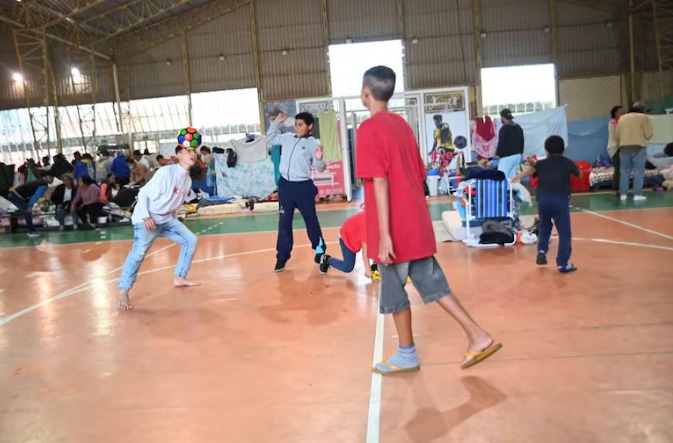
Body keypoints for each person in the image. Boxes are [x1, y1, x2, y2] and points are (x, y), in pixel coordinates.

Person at [356, 65, 501, 375]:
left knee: (395, 292)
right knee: (434, 284)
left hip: (394, 226)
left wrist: (384, 235)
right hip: (416, 221)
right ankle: (478, 335)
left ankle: (407, 353)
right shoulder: (402, 125)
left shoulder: (368, 129)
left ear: (365, 93)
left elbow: (379, 182)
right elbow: (419, 174)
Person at [117, 145, 200, 311]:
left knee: (191, 240)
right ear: (178, 155)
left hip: (167, 219)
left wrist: (175, 217)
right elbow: (144, 193)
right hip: (148, 218)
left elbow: (174, 202)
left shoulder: (188, 180)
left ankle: (179, 277)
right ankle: (123, 290)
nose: (193, 154)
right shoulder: (166, 172)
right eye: (188, 151)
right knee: (139, 253)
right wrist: (145, 216)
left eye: (194, 152)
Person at [267, 111, 326, 272]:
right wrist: (277, 123)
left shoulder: (313, 143)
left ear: (310, 126)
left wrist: (320, 157)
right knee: (284, 221)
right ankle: (282, 256)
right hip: (286, 186)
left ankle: (320, 250)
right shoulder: (287, 138)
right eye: (296, 124)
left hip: (303, 187)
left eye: (301, 125)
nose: (297, 128)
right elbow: (271, 138)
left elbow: (320, 168)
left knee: (311, 220)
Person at [513, 136, 579, 273]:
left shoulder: (541, 164)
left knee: (544, 225)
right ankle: (562, 264)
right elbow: (579, 175)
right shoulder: (567, 162)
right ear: (563, 150)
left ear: (547, 150)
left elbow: (531, 170)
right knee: (564, 232)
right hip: (560, 199)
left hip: (543, 199)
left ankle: (542, 251)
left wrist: (518, 176)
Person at [318, 209, 373, 278]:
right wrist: (368, 270)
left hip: (354, 234)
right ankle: (327, 259)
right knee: (347, 267)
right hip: (346, 238)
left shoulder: (374, 216)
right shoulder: (367, 225)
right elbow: (365, 249)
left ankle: (375, 265)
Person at [616, 101, 653, 201]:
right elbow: (648, 135)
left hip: (623, 147)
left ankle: (623, 194)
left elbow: (617, 135)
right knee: (638, 171)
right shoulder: (644, 117)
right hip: (638, 147)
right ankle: (637, 194)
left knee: (624, 171)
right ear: (643, 110)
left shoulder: (622, 118)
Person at [8, 171, 55, 237]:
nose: (53, 180)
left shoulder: (39, 181)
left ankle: (32, 230)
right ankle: (31, 231)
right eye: (52, 178)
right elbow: (36, 196)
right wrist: (30, 206)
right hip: (17, 196)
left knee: (27, 212)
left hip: (15, 194)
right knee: (28, 212)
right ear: (47, 177)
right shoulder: (44, 185)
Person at [495, 108, 525, 180]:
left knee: (501, 178)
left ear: (502, 117)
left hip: (507, 158)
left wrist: (497, 154)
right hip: (517, 156)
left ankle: (503, 191)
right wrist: (520, 154)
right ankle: (515, 191)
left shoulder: (504, 129)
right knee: (513, 180)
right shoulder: (518, 128)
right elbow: (522, 142)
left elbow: (501, 143)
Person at [607, 105, 625, 195]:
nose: (623, 114)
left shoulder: (620, 122)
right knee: (618, 169)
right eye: (621, 113)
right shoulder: (613, 123)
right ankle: (615, 189)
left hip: (619, 147)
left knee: (621, 169)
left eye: (624, 112)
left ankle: (620, 189)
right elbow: (617, 137)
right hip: (614, 148)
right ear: (615, 114)